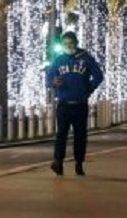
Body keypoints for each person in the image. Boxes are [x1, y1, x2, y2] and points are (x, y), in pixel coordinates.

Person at [45, 31, 104, 176]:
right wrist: (53, 82)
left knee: (80, 135)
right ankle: (58, 162)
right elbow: (49, 77)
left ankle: (79, 163)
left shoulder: (86, 59)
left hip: (80, 103)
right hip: (64, 103)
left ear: (76, 43)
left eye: (71, 43)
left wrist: (88, 89)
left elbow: (98, 76)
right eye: (65, 44)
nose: (68, 46)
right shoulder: (59, 60)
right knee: (61, 134)